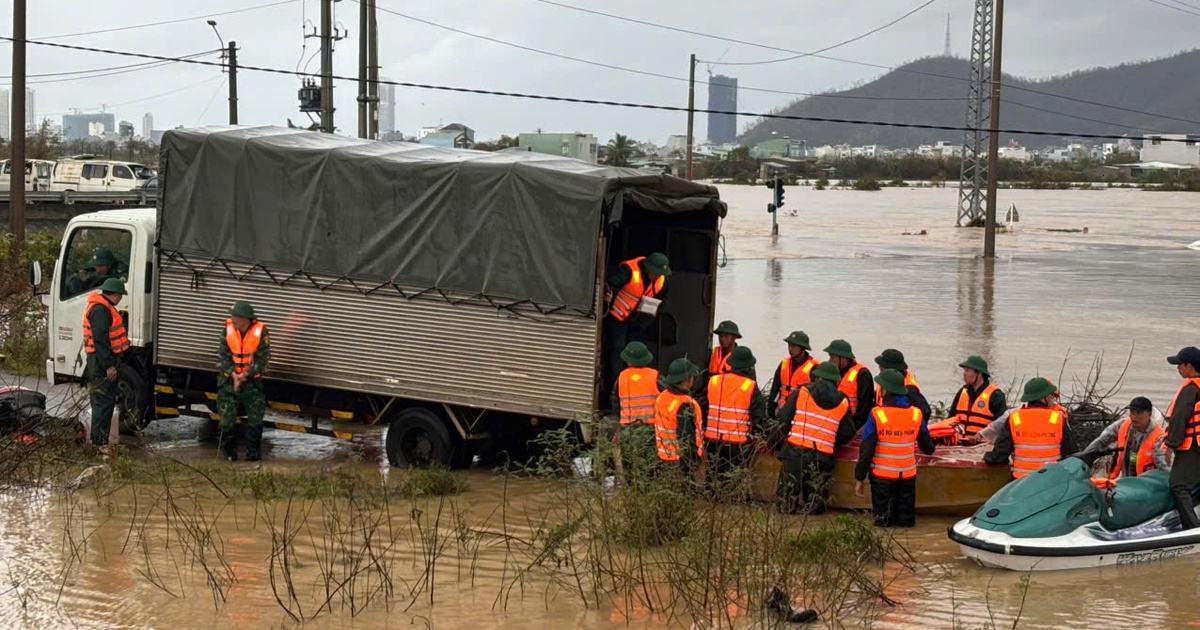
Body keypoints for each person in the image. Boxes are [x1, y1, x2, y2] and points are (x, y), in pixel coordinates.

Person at [855, 369, 935, 527]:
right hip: (907, 477)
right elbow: (928, 447)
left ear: (885, 390)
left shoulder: (877, 415)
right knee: (906, 523)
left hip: (882, 478)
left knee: (883, 524)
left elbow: (866, 451)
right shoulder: (915, 414)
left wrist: (859, 477)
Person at [775, 361, 856, 514]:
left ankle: (784, 535)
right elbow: (847, 432)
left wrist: (772, 443)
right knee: (814, 508)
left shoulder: (802, 392)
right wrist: (830, 437)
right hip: (822, 457)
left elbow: (783, 420)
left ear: (817, 378)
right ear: (836, 381)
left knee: (784, 504)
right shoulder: (843, 401)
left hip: (794, 453)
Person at [602, 253, 671, 398]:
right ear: (648, 269)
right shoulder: (629, 271)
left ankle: (632, 391)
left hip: (638, 322)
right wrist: (608, 296)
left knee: (637, 355)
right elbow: (610, 284)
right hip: (618, 318)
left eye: (660, 274)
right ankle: (614, 393)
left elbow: (659, 303)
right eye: (656, 273)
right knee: (617, 351)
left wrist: (645, 322)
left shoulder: (662, 282)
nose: (658, 276)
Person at [984, 377, 1076, 479]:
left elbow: (999, 456)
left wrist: (987, 457)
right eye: (1050, 395)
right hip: (1051, 482)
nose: (1052, 399)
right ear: (1042, 398)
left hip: (1021, 483)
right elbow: (1071, 454)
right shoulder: (1058, 419)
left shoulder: (1015, 418)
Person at [704, 346, 767, 492]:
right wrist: (759, 436)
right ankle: (731, 505)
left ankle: (710, 499)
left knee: (712, 475)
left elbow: (704, 406)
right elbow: (759, 417)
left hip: (712, 439)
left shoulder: (713, 381)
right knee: (733, 481)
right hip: (737, 443)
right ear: (748, 367)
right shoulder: (749, 386)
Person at [83, 278, 130, 458]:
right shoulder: (101, 310)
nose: (120, 299)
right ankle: (100, 443)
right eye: (120, 295)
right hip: (101, 363)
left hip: (100, 361)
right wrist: (109, 366)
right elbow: (101, 342)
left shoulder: (102, 307)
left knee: (102, 402)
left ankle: (98, 442)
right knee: (103, 402)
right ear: (115, 294)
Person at [217, 301, 270, 461]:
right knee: (226, 421)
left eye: (235, 316)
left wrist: (245, 375)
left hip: (252, 383)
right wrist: (233, 374)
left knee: (255, 420)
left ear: (244, 318)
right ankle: (229, 454)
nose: (232, 319)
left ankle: (253, 455)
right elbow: (223, 356)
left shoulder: (260, 331)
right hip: (228, 383)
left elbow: (263, 360)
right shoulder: (227, 329)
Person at [1084, 396, 1168, 484]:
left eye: (1138, 413)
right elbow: (1101, 441)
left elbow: (1164, 467)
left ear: (1149, 414)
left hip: (1147, 484)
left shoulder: (1159, 436)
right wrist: (1084, 457)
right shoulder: (1123, 425)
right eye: (1131, 412)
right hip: (1125, 481)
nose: (1133, 416)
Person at [1164, 346, 1200, 530]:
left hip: (1193, 446)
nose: (1178, 368)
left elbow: (1180, 418)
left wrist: (1171, 444)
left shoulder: (1190, 388)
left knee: (1178, 484)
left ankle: (1192, 528)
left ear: (1190, 366)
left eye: (1180, 364)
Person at [612, 341, 661, 469]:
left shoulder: (621, 377)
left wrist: (621, 417)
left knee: (630, 467)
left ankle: (631, 489)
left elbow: (615, 402)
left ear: (628, 360)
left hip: (628, 429)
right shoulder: (655, 376)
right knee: (649, 467)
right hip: (650, 430)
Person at [937, 356, 1007, 444]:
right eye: (964, 370)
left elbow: (1002, 424)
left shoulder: (995, 395)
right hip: (958, 444)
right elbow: (950, 419)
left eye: (968, 370)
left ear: (979, 373)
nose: (964, 374)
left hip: (982, 446)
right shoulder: (963, 391)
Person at [653, 358, 703, 478]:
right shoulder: (684, 405)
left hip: (664, 457)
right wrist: (693, 465)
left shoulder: (663, 397)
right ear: (688, 380)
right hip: (681, 463)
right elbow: (687, 440)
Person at [823, 339, 873, 430]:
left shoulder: (862, 374)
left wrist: (852, 428)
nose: (830, 361)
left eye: (832, 357)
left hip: (852, 426)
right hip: (835, 423)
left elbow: (865, 408)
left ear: (843, 358)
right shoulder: (834, 373)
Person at [769, 331, 820, 416]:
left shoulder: (814, 368)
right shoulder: (784, 364)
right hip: (782, 413)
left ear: (803, 348)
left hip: (800, 414)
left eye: (793, 346)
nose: (790, 349)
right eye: (789, 345)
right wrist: (770, 411)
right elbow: (775, 390)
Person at [872, 348, 931, 422]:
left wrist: (913, 428)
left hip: (898, 428)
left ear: (891, 368)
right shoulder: (885, 379)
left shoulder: (909, 388)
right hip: (882, 424)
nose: (879, 367)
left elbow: (925, 411)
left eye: (882, 366)